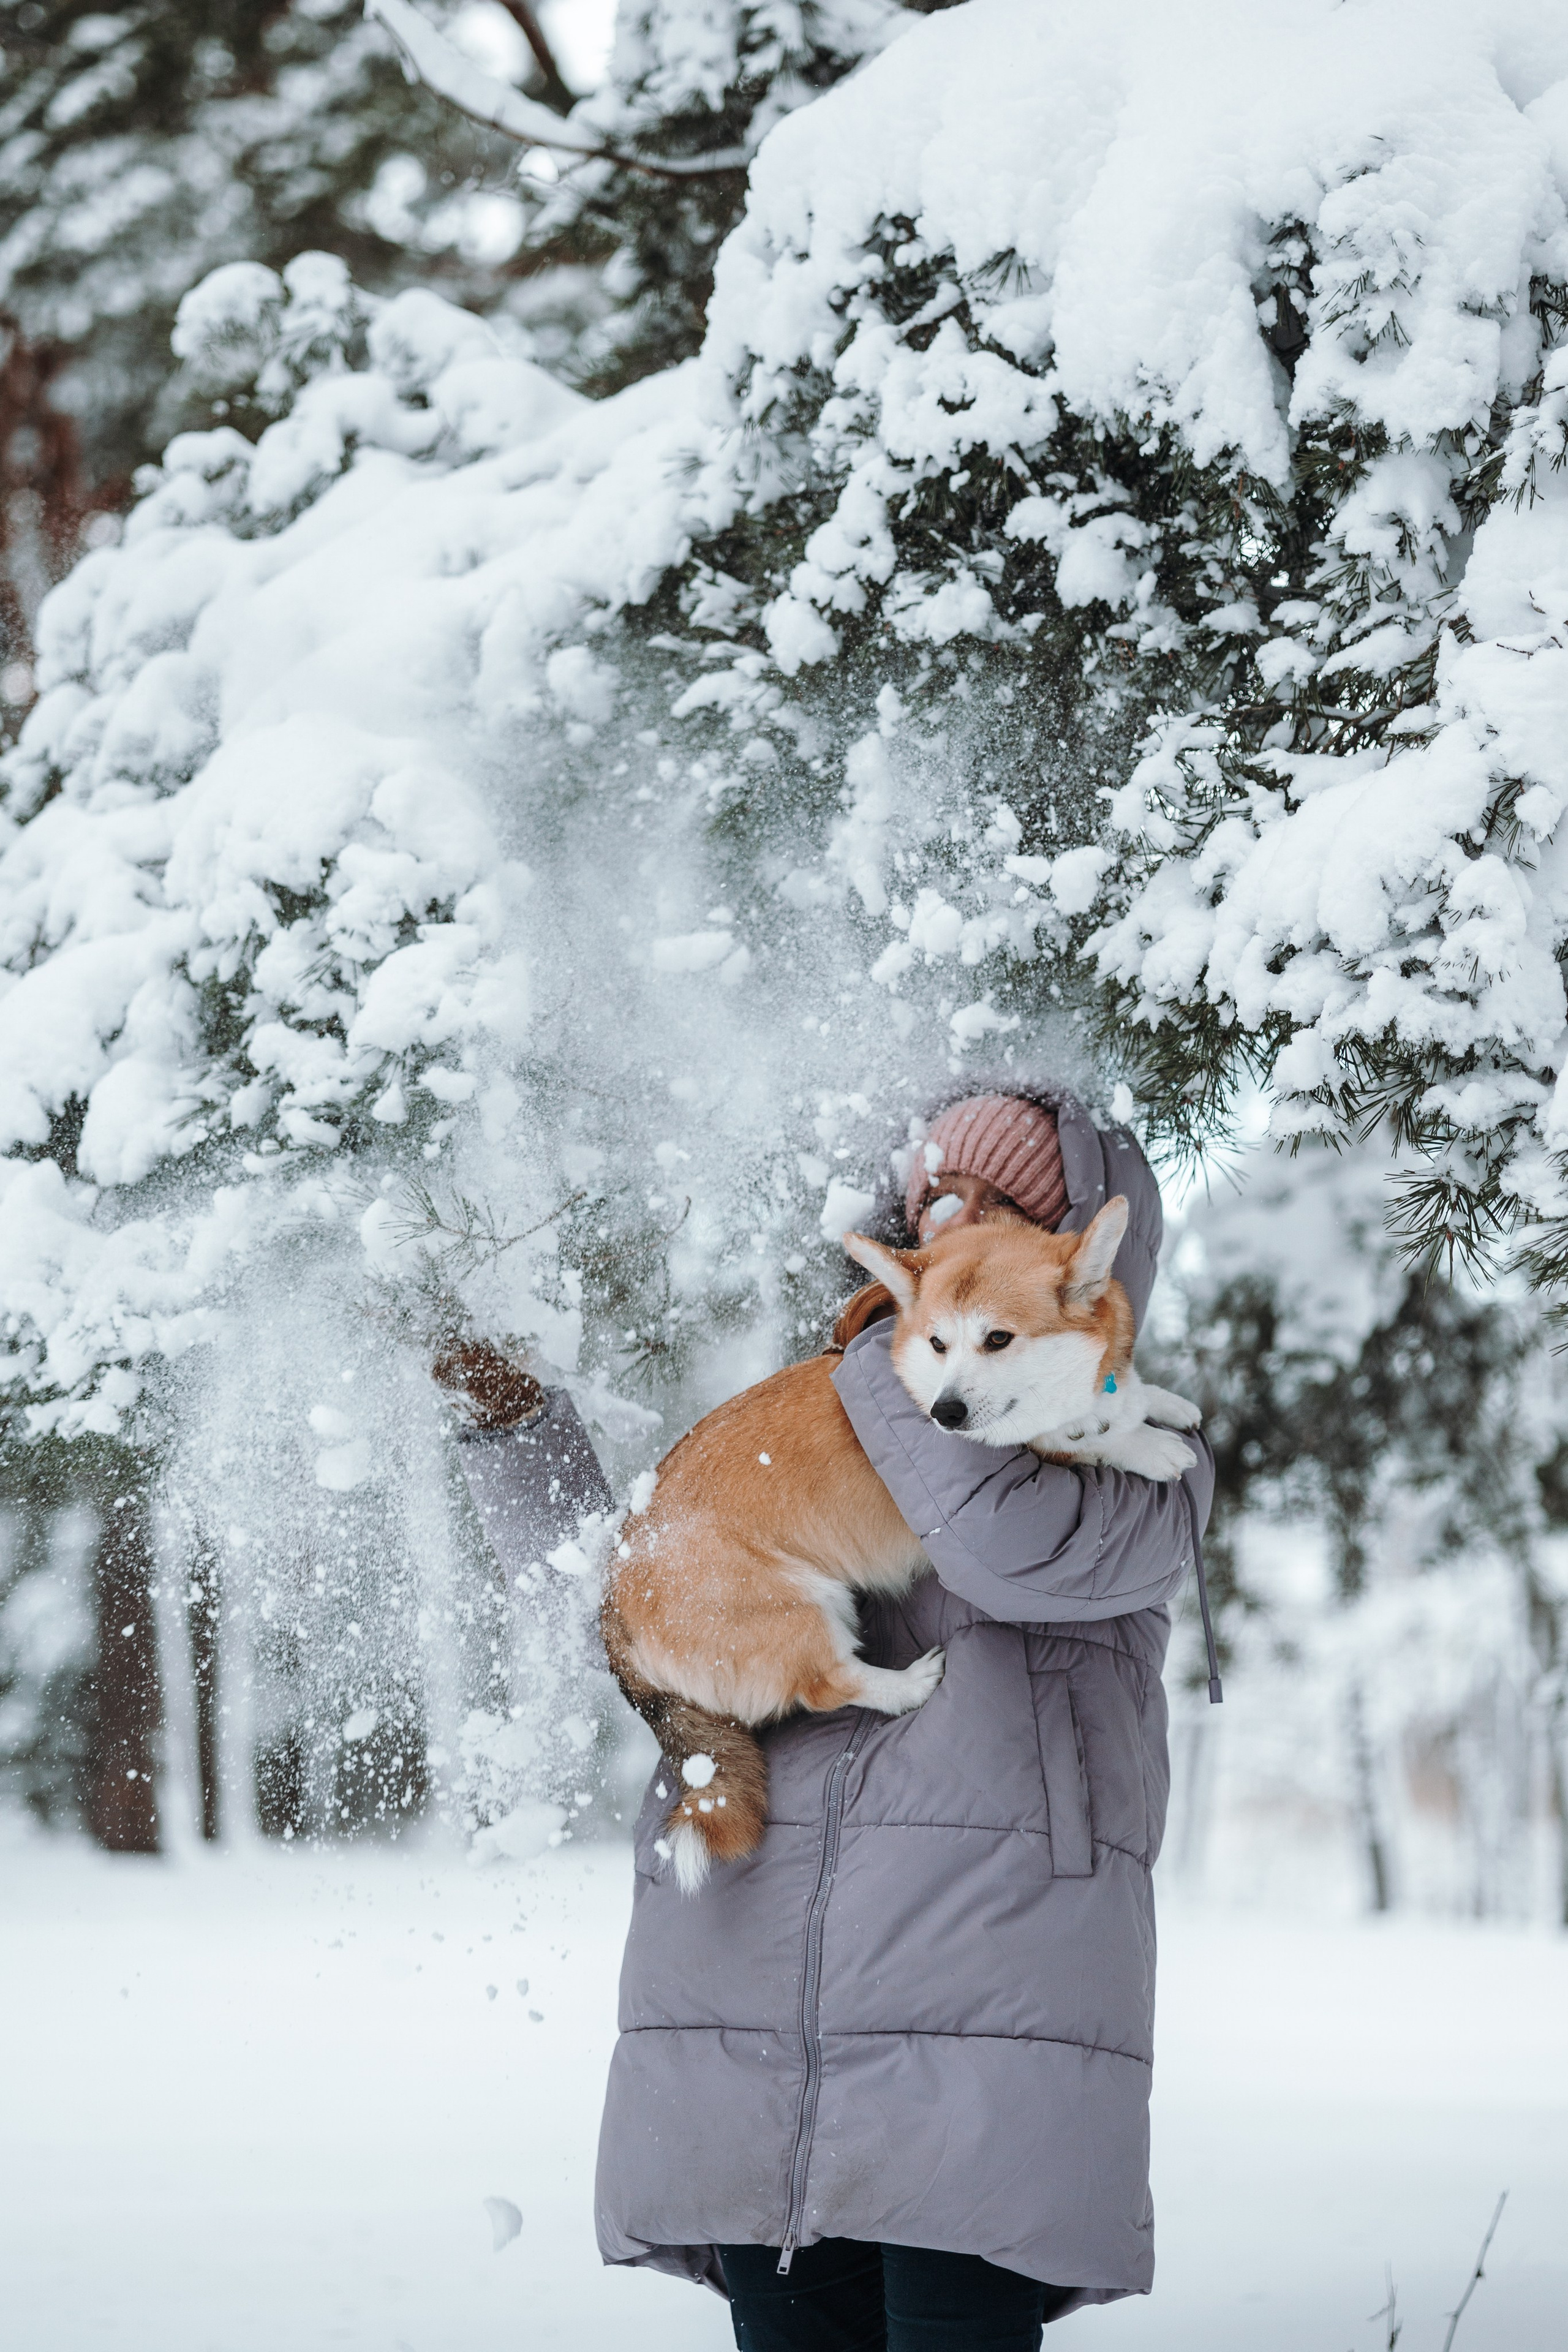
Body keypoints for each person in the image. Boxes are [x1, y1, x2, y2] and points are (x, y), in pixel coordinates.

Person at [590, 1083, 1216, 2350]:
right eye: (935, 1202)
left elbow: (997, 1537)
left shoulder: (1149, 1462)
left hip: (982, 2031)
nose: (956, 1228)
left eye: (998, 1208)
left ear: (1078, 1254)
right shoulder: (811, 1417)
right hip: (763, 2025)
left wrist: (891, 1349)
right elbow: (629, 1602)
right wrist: (507, 1424)